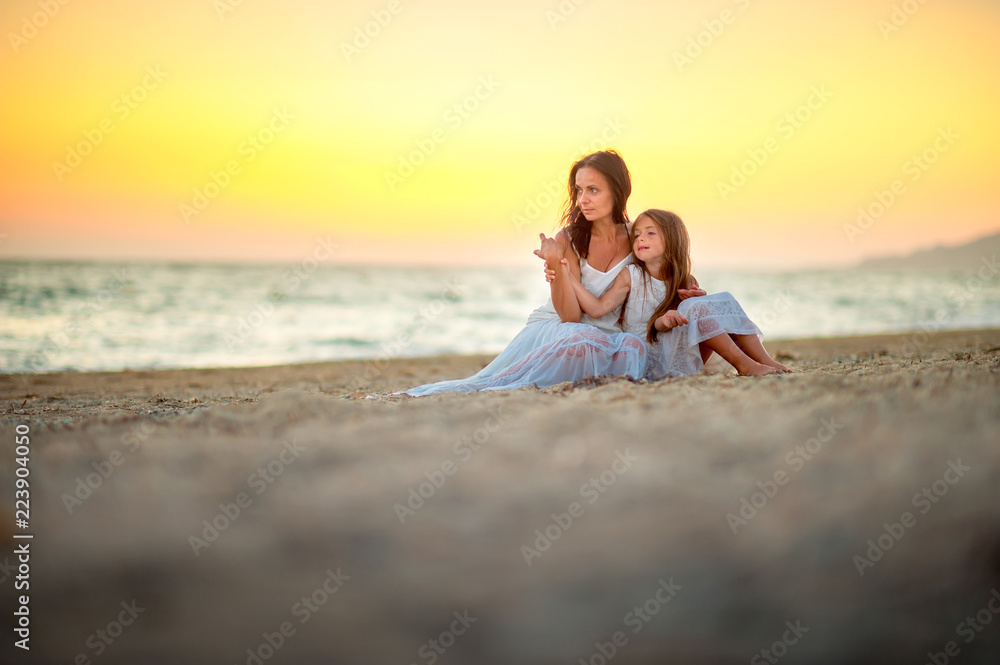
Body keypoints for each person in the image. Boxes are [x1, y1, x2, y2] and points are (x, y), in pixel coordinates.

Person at [401, 151, 703, 395]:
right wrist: (555, 267)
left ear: (618, 190)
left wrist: (685, 285)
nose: (583, 199)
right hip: (566, 327)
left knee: (632, 346)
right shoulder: (567, 240)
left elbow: (661, 268)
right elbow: (570, 316)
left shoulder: (638, 235)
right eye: (579, 190)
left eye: (593, 190)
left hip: (614, 333)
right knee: (583, 338)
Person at [553, 209, 791, 378]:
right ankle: (744, 365)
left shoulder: (684, 280)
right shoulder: (632, 275)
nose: (640, 239)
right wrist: (569, 278)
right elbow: (596, 309)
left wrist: (701, 302)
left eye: (650, 233)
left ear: (672, 240)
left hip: (682, 354)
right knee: (694, 308)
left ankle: (765, 360)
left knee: (719, 300)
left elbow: (693, 318)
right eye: (637, 235)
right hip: (649, 355)